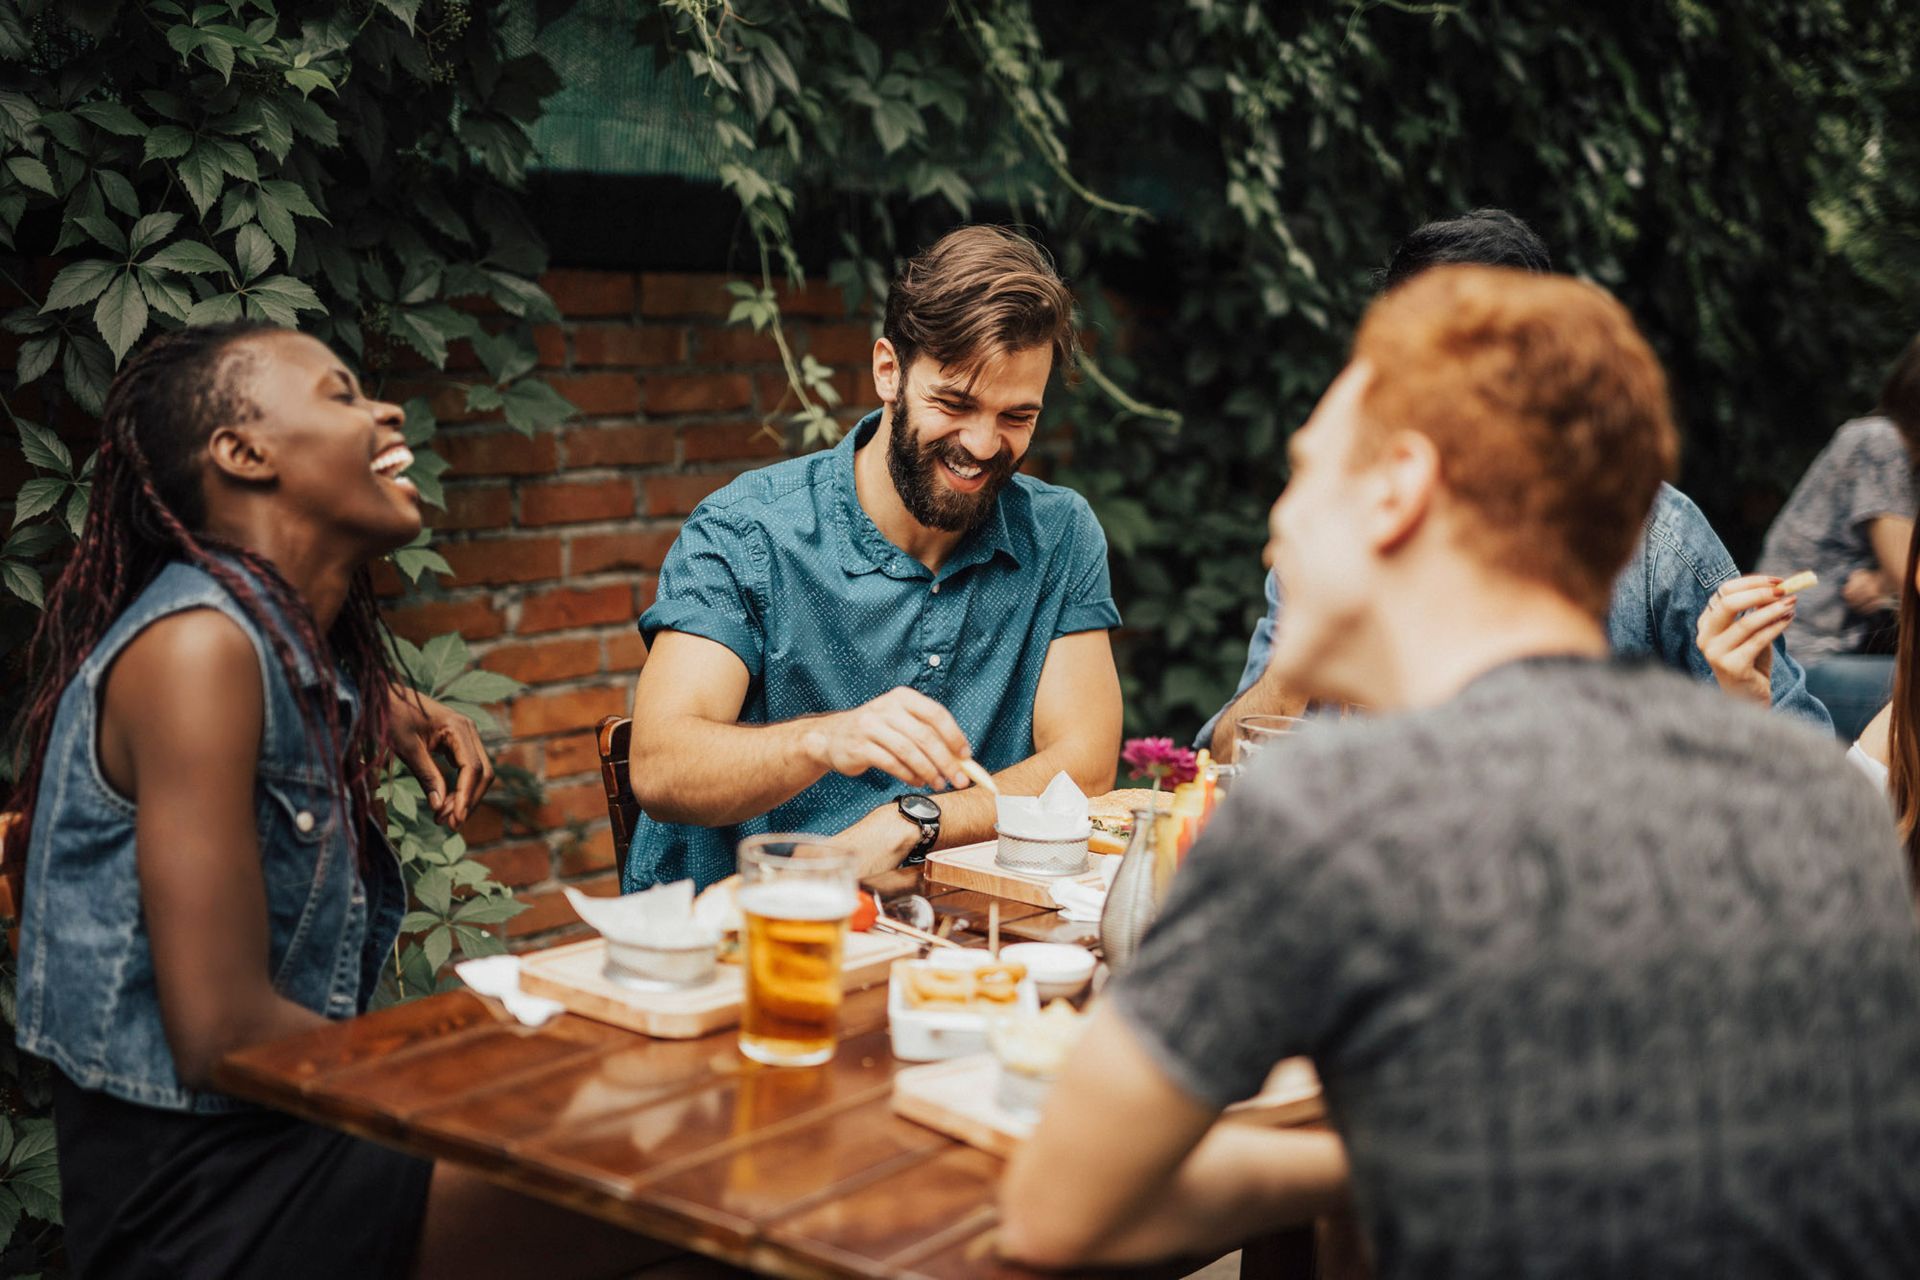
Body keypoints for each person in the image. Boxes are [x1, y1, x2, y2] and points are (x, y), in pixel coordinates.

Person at [1000, 268, 1920, 1276]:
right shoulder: (1826, 800)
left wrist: (1365, 1156)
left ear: (1395, 490)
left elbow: (1056, 1208)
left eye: (1306, 470)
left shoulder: (1333, 809)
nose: (1280, 524)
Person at [10, 323, 657, 1278]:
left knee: (682, 1188)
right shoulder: (198, 653)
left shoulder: (268, 656)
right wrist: (492, 1057)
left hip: (286, 1146)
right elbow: (221, 1033)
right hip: (206, 1204)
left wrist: (370, 702)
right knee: (660, 1186)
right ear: (243, 453)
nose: (384, 409)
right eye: (340, 394)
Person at [1200, 209, 1830, 755]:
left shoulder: (1653, 534)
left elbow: (1809, 759)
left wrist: (1740, 701)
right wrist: (1306, 656)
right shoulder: (1341, 530)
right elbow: (1227, 764)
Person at [623, 226, 1123, 891]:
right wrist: (824, 740)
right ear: (889, 370)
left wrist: (912, 819)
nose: (980, 443)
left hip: (957, 936)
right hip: (752, 935)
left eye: (1017, 416)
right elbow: (660, 767)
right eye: (954, 403)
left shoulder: (1058, 534)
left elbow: (1084, 767)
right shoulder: (749, 530)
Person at [1744, 334, 1920, 739]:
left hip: (1827, 653)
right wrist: (1887, 579)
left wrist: (1880, 581)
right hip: (1796, 660)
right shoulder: (1879, 443)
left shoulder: (1900, 461)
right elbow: (1911, 575)